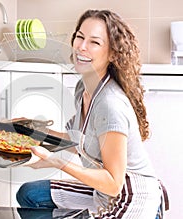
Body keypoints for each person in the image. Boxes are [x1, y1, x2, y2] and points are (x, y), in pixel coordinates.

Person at [16, 9, 168, 218]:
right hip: (103, 193)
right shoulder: (83, 87)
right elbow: (81, 141)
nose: (82, 47)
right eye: (80, 37)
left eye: (94, 42)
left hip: (131, 198)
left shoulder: (110, 104)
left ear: (113, 54)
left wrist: (57, 161)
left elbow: (114, 184)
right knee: (29, 194)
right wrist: (34, 132)